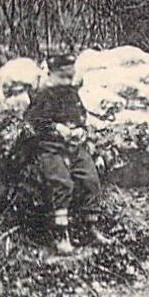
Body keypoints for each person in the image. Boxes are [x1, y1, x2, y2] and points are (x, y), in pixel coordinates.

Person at [25, 52, 106, 255]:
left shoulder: (72, 94)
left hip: (73, 147)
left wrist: (80, 130)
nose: (67, 82)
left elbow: (81, 117)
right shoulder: (44, 96)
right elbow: (34, 123)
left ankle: (90, 227)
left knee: (90, 177)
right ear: (51, 75)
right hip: (49, 148)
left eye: (70, 77)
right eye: (63, 77)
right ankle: (60, 233)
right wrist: (55, 128)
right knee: (62, 183)